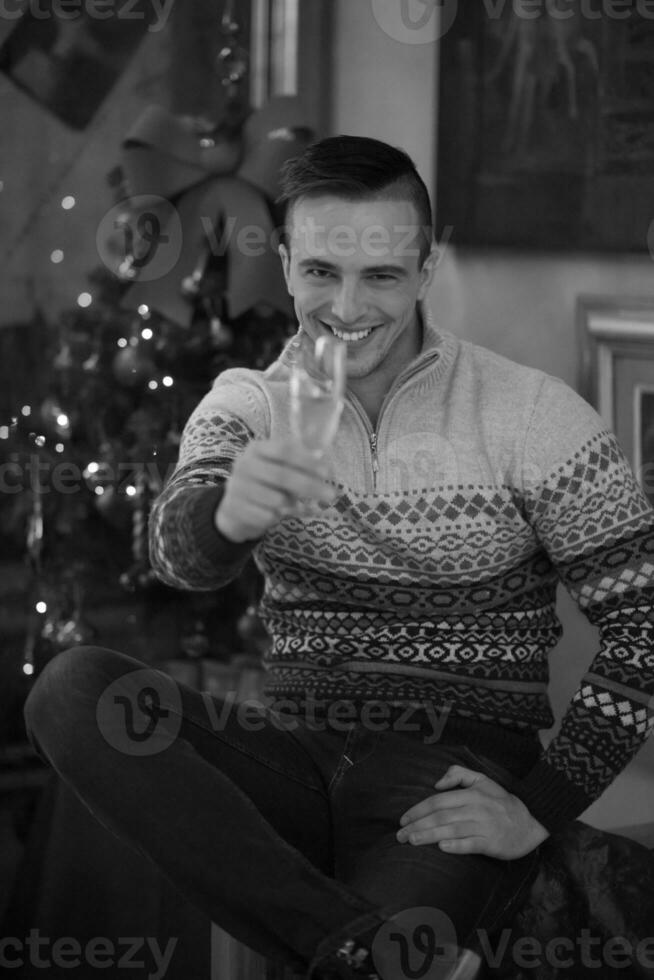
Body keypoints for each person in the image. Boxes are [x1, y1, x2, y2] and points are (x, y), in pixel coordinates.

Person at [24, 136, 654, 980]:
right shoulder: (246, 403)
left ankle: (359, 949)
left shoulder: (532, 415)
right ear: (284, 264)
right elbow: (180, 555)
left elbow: (644, 620)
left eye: (382, 276)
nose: (347, 307)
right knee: (74, 692)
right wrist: (230, 513)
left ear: (426, 268)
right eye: (321, 271)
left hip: (443, 780)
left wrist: (540, 807)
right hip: (290, 754)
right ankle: (365, 949)